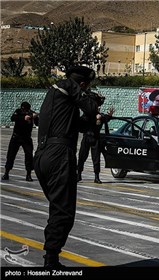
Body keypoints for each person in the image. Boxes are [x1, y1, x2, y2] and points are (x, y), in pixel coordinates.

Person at [33, 66, 99, 269]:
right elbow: (89, 106)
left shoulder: (58, 95)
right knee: (63, 211)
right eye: (86, 87)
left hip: (43, 155)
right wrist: (93, 103)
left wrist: (93, 120)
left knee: (58, 208)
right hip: (59, 155)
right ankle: (51, 261)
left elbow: (76, 124)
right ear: (81, 84)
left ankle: (51, 258)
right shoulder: (68, 86)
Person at [2, 101, 39, 182]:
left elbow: (37, 124)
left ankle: (28, 175)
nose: (24, 111)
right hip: (16, 137)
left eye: (25, 110)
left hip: (26, 138)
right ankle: (6, 173)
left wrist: (36, 117)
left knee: (29, 156)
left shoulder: (31, 113)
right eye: (23, 110)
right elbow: (13, 118)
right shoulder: (18, 112)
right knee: (11, 155)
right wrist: (23, 118)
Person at [77, 105, 114, 184]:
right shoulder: (87, 115)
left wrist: (110, 115)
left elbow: (106, 118)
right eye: (97, 107)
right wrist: (94, 118)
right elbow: (82, 121)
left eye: (99, 107)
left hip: (95, 138)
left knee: (96, 158)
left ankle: (96, 177)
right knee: (82, 156)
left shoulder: (101, 116)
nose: (98, 108)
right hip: (86, 137)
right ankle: (79, 175)